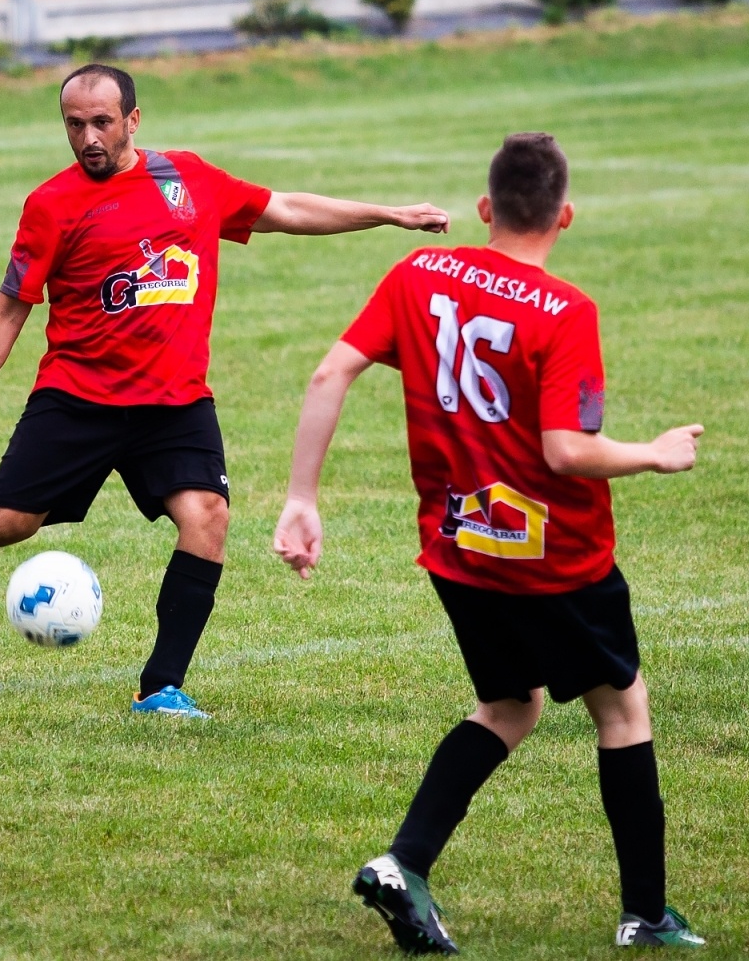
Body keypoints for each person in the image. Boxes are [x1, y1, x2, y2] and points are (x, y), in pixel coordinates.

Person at [0, 63, 450, 720]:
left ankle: (160, 687)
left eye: (102, 122)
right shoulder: (51, 205)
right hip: (78, 397)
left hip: (175, 400)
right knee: (9, 522)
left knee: (207, 516)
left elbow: (286, 208)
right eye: (75, 125)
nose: (89, 137)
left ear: (133, 119)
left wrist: (389, 214)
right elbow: (11, 308)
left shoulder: (188, 178)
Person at [273, 132, 706, 952]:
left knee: (510, 704)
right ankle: (646, 916)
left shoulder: (417, 274)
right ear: (565, 216)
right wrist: (654, 453)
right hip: (557, 557)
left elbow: (331, 373)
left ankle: (404, 863)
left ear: (484, 209)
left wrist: (301, 498)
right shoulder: (567, 309)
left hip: (460, 546)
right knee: (622, 711)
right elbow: (567, 452)